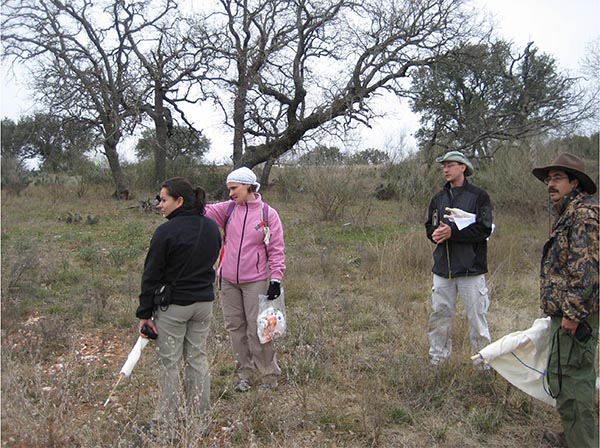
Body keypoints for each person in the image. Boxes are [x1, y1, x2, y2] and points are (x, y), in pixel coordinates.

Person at [136, 177, 221, 441]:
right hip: (204, 304)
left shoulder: (166, 232)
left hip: (174, 308)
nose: (159, 204)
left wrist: (144, 314)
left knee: (169, 364)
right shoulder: (211, 228)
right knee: (197, 358)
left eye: (163, 199)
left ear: (179, 201)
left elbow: (151, 274)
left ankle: (165, 425)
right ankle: (201, 421)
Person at [531, 153, 599, 448]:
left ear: (575, 182)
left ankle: (584, 442)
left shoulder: (584, 215)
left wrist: (572, 313)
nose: (550, 183)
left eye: (557, 178)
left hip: (577, 314)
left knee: (575, 382)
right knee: (564, 377)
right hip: (568, 312)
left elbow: (588, 272)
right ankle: (574, 436)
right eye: (548, 179)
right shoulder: (570, 212)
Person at [205, 166, 286, 392]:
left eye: (234, 188)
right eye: (228, 188)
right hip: (228, 281)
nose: (230, 193)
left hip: (256, 281)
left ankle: (269, 375)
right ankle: (245, 374)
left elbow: (277, 249)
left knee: (260, 329)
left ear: (248, 186)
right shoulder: (228, 209)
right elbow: (202, 211)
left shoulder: (268, 214)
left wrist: (276, 280)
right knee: (235, 329)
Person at [425, 151, 494, 367]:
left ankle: (483, 365)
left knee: (477, 318)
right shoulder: (438, 198)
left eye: (450, 165)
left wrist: (453, 233)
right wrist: (434, 234)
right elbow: (430, 226)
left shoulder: (479, 196)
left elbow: (484, 229)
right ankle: (438, 361)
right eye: (443, 165)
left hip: (471, 270)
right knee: (440, 316)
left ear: (463, 167)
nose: (445, 169)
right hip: (443, 269)